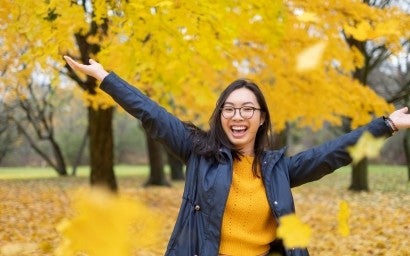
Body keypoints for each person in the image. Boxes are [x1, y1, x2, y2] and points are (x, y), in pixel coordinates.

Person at [64, 56, 410, 256]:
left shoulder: (278, 169)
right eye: (229, 109)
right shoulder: (199, 153)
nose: (237, 116)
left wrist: (388, 124)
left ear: (261, 119)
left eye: (247, 109)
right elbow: (152, 115)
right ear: (220, 117)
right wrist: (106, 78)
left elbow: (332, 153)